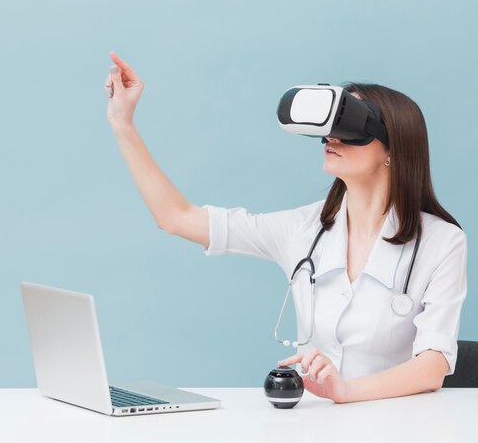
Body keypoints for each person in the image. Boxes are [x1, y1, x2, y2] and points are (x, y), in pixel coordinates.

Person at [103, 50, 467, 404]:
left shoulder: (441, 242)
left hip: (403, 425)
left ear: (393, 148)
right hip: (318, 426)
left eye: (347, 126)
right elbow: (176, 217)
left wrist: (346, 391)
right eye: (327, 128)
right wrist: (123, 124)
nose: (331, 138)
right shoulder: (304, 229)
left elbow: (433, 366)